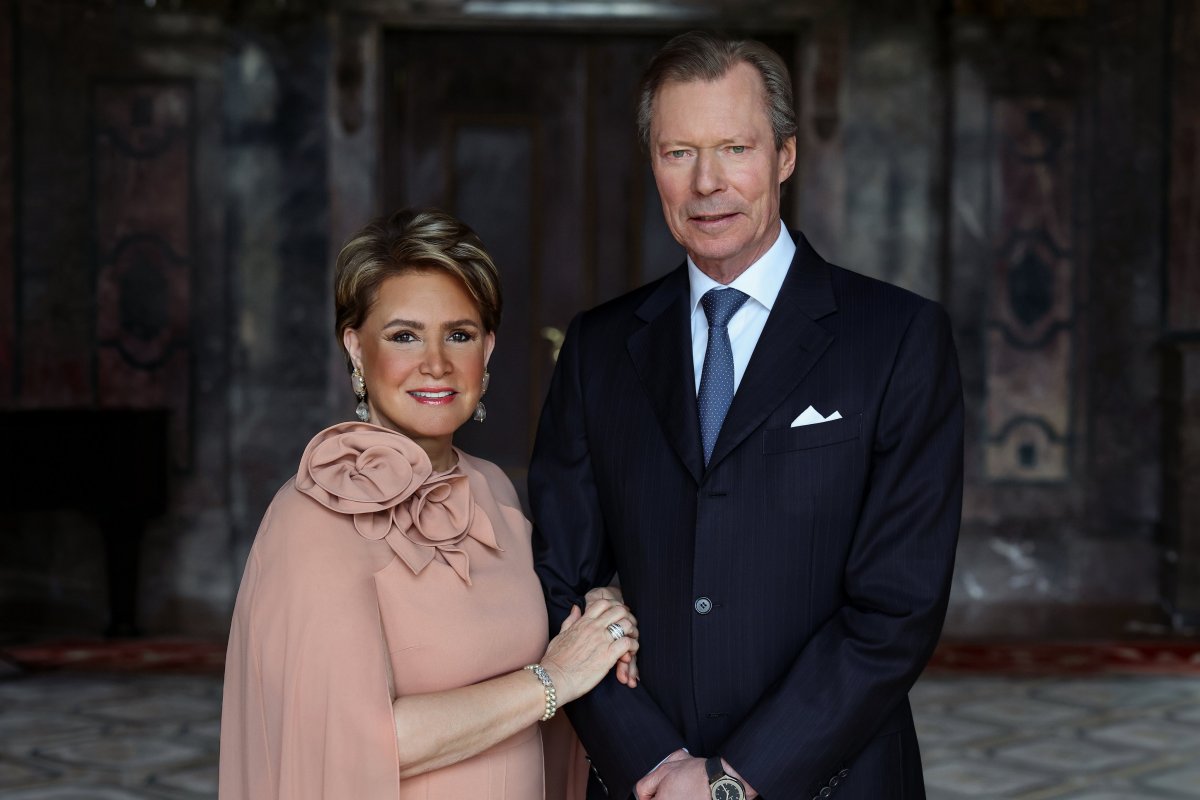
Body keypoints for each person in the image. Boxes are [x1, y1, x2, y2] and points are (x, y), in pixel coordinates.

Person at [530, 31, 963, 800]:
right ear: (653, 164)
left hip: (835, 780)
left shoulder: (898, 338)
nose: (707, 183)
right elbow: (558, 577)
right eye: (679, 152)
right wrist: (652, 762)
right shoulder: (599, 347)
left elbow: (898, 606)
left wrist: (734, 778)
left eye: (735, 148)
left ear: (785, 156)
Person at [219, 207, 637, 800]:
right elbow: (351, 741)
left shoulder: (493, 490)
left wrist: (596, 617)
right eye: (404, 335)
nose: (436, 363)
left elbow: (541, 653)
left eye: (459, 335)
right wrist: (554, 678)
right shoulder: (311, 519)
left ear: (487, 351)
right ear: (356, 348)